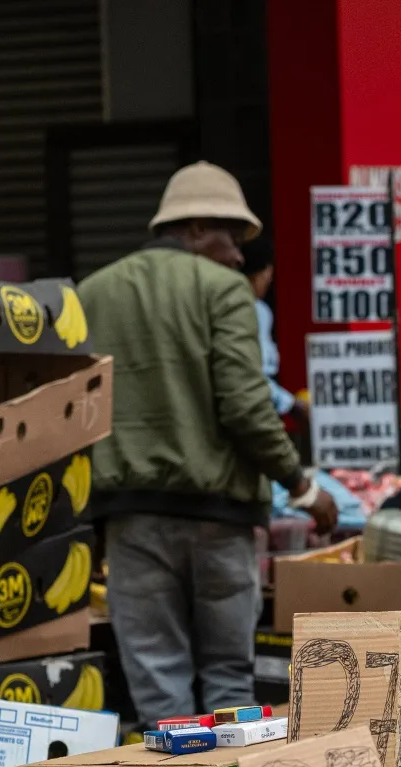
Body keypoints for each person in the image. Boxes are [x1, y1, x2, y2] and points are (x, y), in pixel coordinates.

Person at [80, 161, 336, 725]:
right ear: (196, 228)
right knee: (227, 677)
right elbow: (246, 407)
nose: (242, 256)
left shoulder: (93, 293)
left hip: (131, 520)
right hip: (219, 520)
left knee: (155, 679)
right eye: (232, 237)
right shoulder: (225, 292)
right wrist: (301, 485)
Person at [238, 235, 296, 417]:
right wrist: (293, 405)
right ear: (259, 275)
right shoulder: (252, 310)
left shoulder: (260, 310)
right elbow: (251, 376)